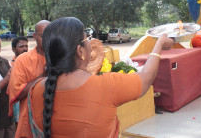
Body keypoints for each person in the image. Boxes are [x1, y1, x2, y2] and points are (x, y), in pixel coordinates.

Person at [28, 17, 174, 138]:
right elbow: (147, 77)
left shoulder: (35, 90)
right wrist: (159, 44)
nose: (90, 44)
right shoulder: (105, 85)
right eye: (87, 40)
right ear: (80, 51)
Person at [7, 20, 50, 138]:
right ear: (35, 36)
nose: (48, 39)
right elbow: (17, 92)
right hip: (30, 124)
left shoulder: (61, 57)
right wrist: (44, 76)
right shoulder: (22, 60)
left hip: (56, 123)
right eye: (42, 36)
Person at [10, 36, 28, 125]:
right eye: (21, 46)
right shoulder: (10, 65)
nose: (25, 49)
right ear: (13, 49)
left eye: (26, 46)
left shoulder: (30, 63)